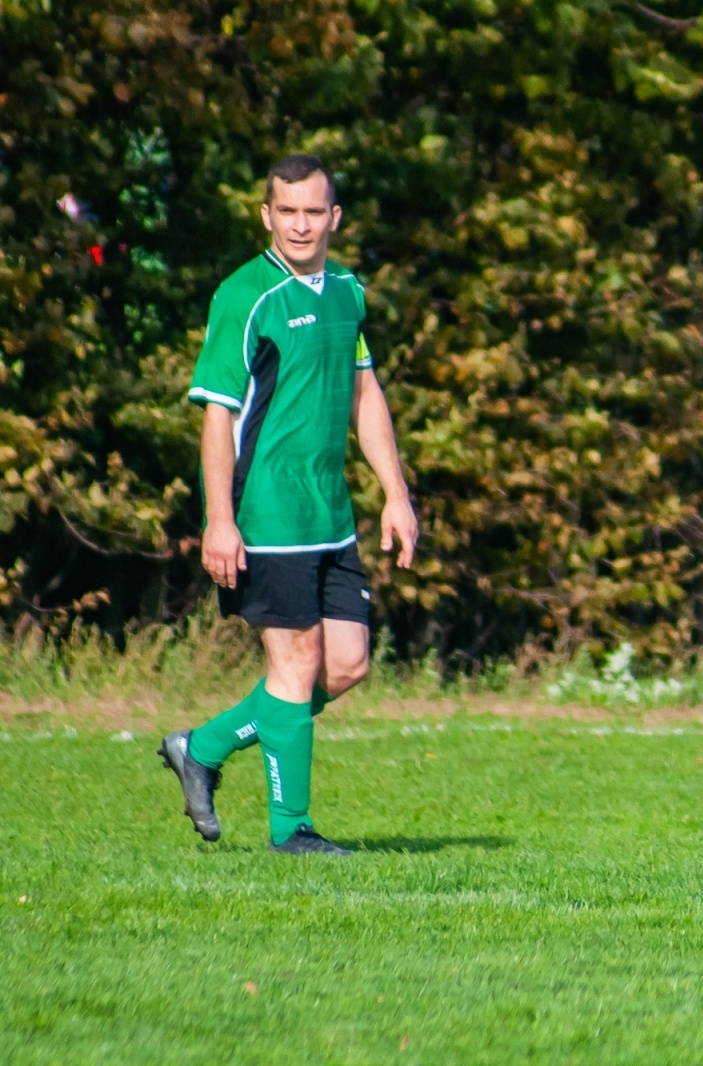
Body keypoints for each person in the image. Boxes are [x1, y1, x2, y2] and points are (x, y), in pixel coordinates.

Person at [158, 155, 418, 855]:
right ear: (267, 215)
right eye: (288, 211)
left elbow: (364, 394)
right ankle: (291, 830)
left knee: (348, 664)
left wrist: (396, 494)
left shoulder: (347, 293)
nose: (301, 225)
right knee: (296, 664)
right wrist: (219, 520)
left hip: (329, 514)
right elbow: (217, 415)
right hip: (266, 513)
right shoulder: (246, 296)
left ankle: (202, 748)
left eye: (313, 211)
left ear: (334, 217)